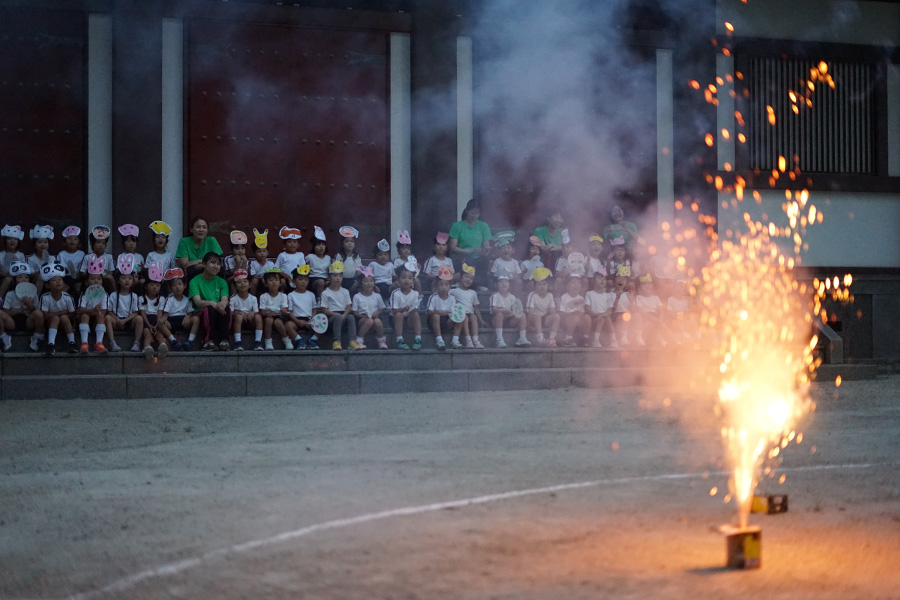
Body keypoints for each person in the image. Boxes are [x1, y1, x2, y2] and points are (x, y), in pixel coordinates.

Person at [188, 251, 231, 351]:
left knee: (227, 308)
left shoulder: (222, 282)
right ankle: (208, 341)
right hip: (201, 312)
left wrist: (223, 304)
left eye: (218, 264)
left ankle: (224, 340)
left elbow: (224, 299)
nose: (215, 266)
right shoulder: (195, 281)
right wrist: (212, 303)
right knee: (209, 309)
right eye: (212, 263)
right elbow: (198, 302)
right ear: (204, 264)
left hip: (217, 310)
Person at [448, 199, 493, 290]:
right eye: (472, 213)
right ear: (467, 211)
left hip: (478, 257)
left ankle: (479, 283)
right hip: (461, 256)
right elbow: (453, 247)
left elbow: (486, 246)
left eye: (477, 213)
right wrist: (468, 251)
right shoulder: (457, 226)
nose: (475, 216)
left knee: (483, 260)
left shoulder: (483, 226)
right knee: (469, 260)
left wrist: (484, 250)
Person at [0, 261, 45, 352]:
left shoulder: (33, 294)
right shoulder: (10, 294)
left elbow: (37, 312)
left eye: (26, 277)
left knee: (39, 313)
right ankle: (3, 337)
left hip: (28, 321)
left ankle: (36, 338)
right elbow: (5, 312)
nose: (23, 279)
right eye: (19, 277)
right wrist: (19, 310)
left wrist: (30, 305)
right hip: (12, 321)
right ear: (15, 280)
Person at [104, 257, 143, 352]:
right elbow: (109, 311)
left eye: (130, 278)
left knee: (139, 319)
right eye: (124, 278)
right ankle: (112, 342)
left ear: (133, 281)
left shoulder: (134, 296)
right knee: (107, 318)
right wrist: (117, 319)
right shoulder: (113, 295)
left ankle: (136, 343)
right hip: (116, 320)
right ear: (118, 280)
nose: (127, 280)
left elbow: (136, 312)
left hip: (129, 321)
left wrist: (125, 320)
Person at [38, 263, 77, 355]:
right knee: (56, 318)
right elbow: (46, 316)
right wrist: (62, 312)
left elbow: (72, 314)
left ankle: (72, 342)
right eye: (54, 280)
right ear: (48, 285)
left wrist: (61, 314)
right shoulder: (45, 297)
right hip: (50, 323)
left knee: (64, 317)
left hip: (65, 323)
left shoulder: (68, 297)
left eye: (60, 280)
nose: (58, 282)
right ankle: (51, 344)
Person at [319, 261, 358, 350]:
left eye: (340, 276)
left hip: (343, 315)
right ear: (329, 277)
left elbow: (349, 306)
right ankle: (336, 341)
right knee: (338, 317)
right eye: (335, 276)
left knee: (351, 317)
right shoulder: (325, 293)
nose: (338, 278)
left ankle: (352, 341)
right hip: (332, 317)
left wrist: (344, 315)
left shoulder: (345, 291)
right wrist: (337, 315)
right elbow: (324, 310)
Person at [157, 268, 196, 351]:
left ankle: (190, 341)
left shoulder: (187, 299)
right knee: (160, 323)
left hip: (183, 321)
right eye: (174, 285)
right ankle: (173, 341)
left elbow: (190, 313)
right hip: (172, 321)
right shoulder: (169, 299)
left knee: (196, 319)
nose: (177, 287)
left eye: (179, 284)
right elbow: (166, 314)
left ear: (184, 286)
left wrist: (188, 316)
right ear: (171, 288)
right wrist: (163, 319)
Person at [175, 217, 223, 282]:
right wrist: (205, 263)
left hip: (210, 271)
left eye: (204, 227)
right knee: (191, 270)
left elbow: (217, 261)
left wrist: (197, 263)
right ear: (191, 229)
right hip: (192, 274)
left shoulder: (212, 240)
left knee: (220, 269)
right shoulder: (184, 241)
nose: (201, 230)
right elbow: (185, 264)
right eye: (198, 227)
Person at [351, 266, 387, 349]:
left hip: (374, 317)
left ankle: (381, 340)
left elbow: (381, 309)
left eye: (371, 281)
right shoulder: (357, 296)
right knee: (369, 321)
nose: (369, 283)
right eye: (366, 281)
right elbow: (354, 312)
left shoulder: (377, 296)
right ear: (361, 284)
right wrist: (363, 316)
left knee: (377, 321)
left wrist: (376, 313)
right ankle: (359, 339)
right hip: (362, 319)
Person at [76, 264, 108, 354]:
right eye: (93, 279)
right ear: (87, 281)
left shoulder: (104, 294)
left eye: (99, 279)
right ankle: (84, 343)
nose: (96, 281)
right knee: (85, 316)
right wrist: (93, 310)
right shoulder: (84, 294)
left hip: (97, 318)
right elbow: (81, 309)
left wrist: (96, 312)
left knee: (101, 316)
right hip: (85, 317)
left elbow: (104, 311)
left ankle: (99, 343)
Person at [489, 276, 529, 348]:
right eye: (501, 282)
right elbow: (494, 310)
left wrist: (511, 313)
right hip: (497, 320)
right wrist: (503, 310)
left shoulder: (512, 297)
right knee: (499, 314)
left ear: (509, 284)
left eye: (506, 281)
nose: (504, 284)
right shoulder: (495, 296)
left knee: (522, 315)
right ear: (496, 285)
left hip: (509, 320)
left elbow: (516, 310)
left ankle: (522, 338)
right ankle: (499, 339)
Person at [449, 263, 483, 349]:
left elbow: (476, 307)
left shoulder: (473, 292)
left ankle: (476, 339)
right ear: (460, 278)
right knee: (465, 317)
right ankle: (468, 339)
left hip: (470, 314)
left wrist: (481, 320)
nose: (468, 280)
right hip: (458, 315)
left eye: (471, 278)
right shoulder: (453, 291)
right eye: (466, 277)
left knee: (473, 317)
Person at [286, 265, 319, 350]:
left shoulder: (311, 294)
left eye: (305, 279)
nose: (303, 282)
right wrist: (297, 321)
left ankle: (312, 340)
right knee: (288, 325)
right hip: (297, 320)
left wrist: (312, 319)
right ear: (293, 281)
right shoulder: (291, 295)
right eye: (300, 279)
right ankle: (299, 340)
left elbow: (314, 309)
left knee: (323, 323)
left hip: (309, 319)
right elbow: (289, 311)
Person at [258, 269, 292, 351]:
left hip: (279, 316)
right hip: (268, 316)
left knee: (277, 322)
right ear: (266, 284)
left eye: (276, 280)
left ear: (280, 283)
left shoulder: (283, 296)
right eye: (271, 280)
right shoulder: (263, 296)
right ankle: (268, 341)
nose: (274, 282)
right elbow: (262, 311)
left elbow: (284, 309)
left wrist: (283, 311)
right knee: (269, 320)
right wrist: (267, 313)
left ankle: (286, 339)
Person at [229, 269, 262, 351]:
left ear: (250, 285)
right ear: (235, 286)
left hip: (250, 320)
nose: (242, 284)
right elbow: (230, 312)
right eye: (239, 282)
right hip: (238, 321)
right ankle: (238, 342)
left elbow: (256, 311)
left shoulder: (253, 298)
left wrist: (253, 313)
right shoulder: (233, 298)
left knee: (258, 317)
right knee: (239, 317)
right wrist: (238, 313)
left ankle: (258, 341)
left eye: (245, 281)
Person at [526, 267, 560, 348]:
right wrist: (530, 325)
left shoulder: (549, 295)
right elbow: (530, 313)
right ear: (535, 286)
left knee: (557, 316)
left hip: (544, 319)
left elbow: (553, 312)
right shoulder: (532, 295)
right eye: (539, 284)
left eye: (544, 284)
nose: (542, 287)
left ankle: (552, 339)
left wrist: (552, 316)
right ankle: (540, 339)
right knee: (537, 315)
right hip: (534, 319)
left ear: (548, 286)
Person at [390, 265, 421, 350]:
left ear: (413, 280)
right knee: (399, 314)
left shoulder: (415, 294)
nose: (406, 280)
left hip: (409, 319)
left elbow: (416, 308)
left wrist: (413, 309)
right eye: (403, 277)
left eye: (410, 278)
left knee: (416, 314)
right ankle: (399, 339)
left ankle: (418, 339)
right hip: (395, 319)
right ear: (398, 279)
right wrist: (403, 309)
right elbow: (394, 311)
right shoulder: (395, 293)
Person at [138, 267, 166, 360]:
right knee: (147, 334)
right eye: (152, 284)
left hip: (156, 319)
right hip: (146, 320)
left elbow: (160, 312)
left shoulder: (161, 299)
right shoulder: (141, 298)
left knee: (159, 334)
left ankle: (162, 346)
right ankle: (147, 348)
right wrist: (149, 325)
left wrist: (157, 324)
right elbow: (142, 313)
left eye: (157, 285)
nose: (154, 287)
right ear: (146, 286)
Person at [78, 225, 115, 292]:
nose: (100, 245)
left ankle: (114, 295)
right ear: (92, 244)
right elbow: (82, 271)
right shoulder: (88, 257)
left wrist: (103, 276)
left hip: (104, 278)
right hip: (91, 278)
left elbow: (111, 271)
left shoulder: (109, 257)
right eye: (98, 242)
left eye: (103, 243)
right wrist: (90, 275)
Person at [426, 269, 456, 351]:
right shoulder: (433, 297)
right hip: (435, 320)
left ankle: (455, 340)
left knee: (459, 317)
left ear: (450, 286)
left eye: (446, 285)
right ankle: (439, 340)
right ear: (436, 287)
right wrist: (439, 312)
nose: (444, 287)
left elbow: (453, 311)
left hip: (447, 318)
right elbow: (429, 312)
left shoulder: (452, 298)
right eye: (441, 285)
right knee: (436, 316)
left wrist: (447, 314)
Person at [585, 272, 617, 348]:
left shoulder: (608, 295)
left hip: (604, 319)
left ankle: (613, 340)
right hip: (594, 319)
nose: (602, 281)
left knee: (606, 318)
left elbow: (610, 310)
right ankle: (596, 340)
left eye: (604, 279)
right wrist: (597, 315)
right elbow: (588, 308)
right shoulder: (589, 293)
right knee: (601, 319)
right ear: (594, 281)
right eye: (599, 278)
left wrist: (601, 315)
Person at [558, 275, 590, 347]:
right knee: (574, 318)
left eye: (578, 283)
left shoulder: (581, 298)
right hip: (566, 322)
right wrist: (572, 314)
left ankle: (585, 338)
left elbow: (583, 312)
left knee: (587, 317)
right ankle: (568, 338)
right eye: (573, 283)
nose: (576, 285)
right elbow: (561, 313)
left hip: (579, 322)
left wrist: (580, 314)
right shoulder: (564, 297)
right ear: (567, 287)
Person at [26, 225, 56, 296]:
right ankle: (35, 300)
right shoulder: (31, 258)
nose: (42, 245)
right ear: (34, 245)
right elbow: (30, 274)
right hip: (36, 280)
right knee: (40, 277)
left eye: (45, 242)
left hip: (50, 280)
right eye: (39, 242)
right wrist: (42, 271)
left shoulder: (52, 258)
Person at [57, 225, 85, 296]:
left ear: (79, 244)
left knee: (78, 286)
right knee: (66, 285)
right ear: (64, 243)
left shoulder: (81, 254)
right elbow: (59, 268)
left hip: (78, 277)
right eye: (69, 239)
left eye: (75, 239)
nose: (72, 241)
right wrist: (65, 270)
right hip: (66, 277)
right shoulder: (61, 254)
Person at [276, 226, 305, 291]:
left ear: (298, 245)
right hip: (285, 278)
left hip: (297, 278)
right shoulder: (282, 255)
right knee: (282, 282)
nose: (292, 244)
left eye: (295, 242)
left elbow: (303, 268)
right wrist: (283, 274)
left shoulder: (300, 255)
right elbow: (276, 268)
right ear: (285, 244)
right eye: (289, 242)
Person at [117, 224, 145, 290]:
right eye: (128, 241)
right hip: (125, 278)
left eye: (133, 241)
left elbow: (141, 271)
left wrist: (142, 268)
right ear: (123, 243)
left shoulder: (140, 257)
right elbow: (119, 271)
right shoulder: (121, 256)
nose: (131, 244)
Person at [0, 224, 26, 298]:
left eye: (15, 239)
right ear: (5, 241)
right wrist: (6, 275)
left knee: (22, 279)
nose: (12, 241)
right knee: (8, 279)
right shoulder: (1, 255)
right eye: (9, 239)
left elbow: (23, 269)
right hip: (3, 278)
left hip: (18, 278)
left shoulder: (21, 255)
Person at [611, 273, 637, 346]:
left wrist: (631, 300)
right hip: (616, 314)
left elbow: (632, 309)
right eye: (619, 278)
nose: (621, 281)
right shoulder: (610, 294)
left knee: (630, 316)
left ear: (626, 283)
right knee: (625, 316)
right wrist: (617, 297)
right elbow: (612, 309)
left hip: (627, 314)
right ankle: (623, 337)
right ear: (614, 282)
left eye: (624, 279)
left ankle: (637, 338)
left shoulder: (628, 294)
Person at [306, 226, 332, 299]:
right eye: (318, 245)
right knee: (320, 282)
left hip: (325, 279)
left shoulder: (328, 258)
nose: (321, 247)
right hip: (313, 279)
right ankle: (320, 300)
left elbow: (330, 271)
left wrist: (329, 279)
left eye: (323, 245)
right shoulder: (310, 257)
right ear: (314, 247)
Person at [335, 226, 362, 294]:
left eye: (352, 241)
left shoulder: (356, 256)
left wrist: (358, 275)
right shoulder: (339, 255)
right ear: (342, 244)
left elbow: (359, 269)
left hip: (353, 280)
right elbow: (337, 270)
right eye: (346, 241)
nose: (349, 243)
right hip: (341, 279)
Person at [249, 229, 275, 296]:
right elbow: (253, 275)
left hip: (267, 279)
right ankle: (253, 298)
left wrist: (265, 278)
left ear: (267, 253)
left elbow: (271, 274)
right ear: (254, 254)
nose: (262, 254)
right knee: (254, 281)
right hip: (257, 279)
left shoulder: (270, 263)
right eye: (259, 252)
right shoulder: (252, 263)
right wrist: (261, 277)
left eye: (264, 251)